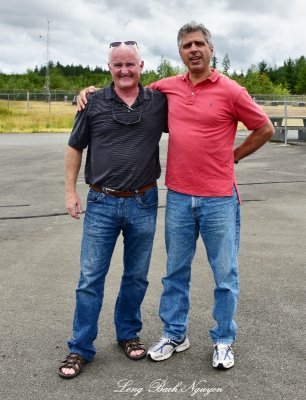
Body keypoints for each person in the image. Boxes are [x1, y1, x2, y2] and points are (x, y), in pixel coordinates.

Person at [77, 21, 274, 370]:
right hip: (180, 196)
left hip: (218, 198)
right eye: (186, 45)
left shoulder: (231, 91)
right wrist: (87, 92)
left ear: (211, 49)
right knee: (175, 272)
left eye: (199, 43)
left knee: (224, 274)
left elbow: (265, 127)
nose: (193, 49)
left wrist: (235, 155)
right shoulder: (166, 89)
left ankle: (224, 339)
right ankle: (174, 333)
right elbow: (126, 88)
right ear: (180, 53)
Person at [58, 41, 168, 379]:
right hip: (102, 201)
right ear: (109, 67)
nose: (124, 71)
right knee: (90, 278)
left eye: (130, 65)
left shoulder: (158, 102)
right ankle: (80, 347)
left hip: (143, 200)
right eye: (118, 65)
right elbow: (75, 147)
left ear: (141, 66)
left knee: (136, 275)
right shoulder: (92, 101)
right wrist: (70, 192)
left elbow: (193, 104)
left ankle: (128, 333)